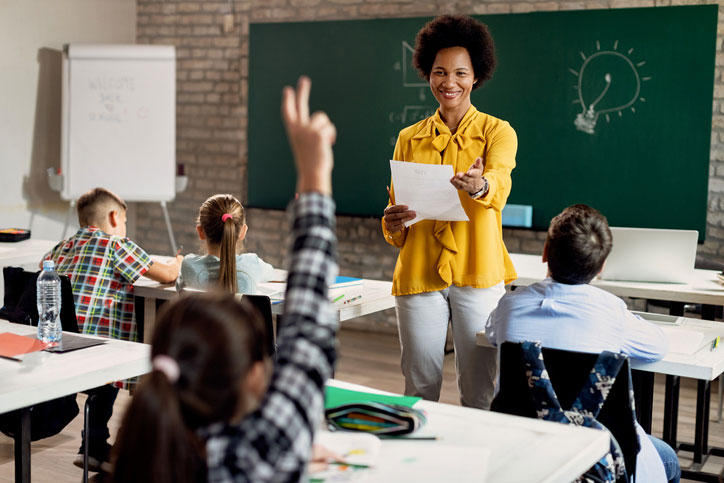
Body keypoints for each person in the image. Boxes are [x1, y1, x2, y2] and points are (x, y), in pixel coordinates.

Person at [112, 75, 339, 483]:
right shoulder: (258, 454)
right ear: (256, 375)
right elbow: (307, 332)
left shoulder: (140, 451)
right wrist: (314, 173)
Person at [485, 204, 680, 483]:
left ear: (545, 252)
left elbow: (491, 333)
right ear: (601, 267)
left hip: (521, 449)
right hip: (601, 457)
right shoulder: (611, 313)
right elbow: (658, 347)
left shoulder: (511, 305)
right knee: (670, 459)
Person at [381, 14, 517, 409]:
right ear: (427, 73)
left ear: (477, 76)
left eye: (460, 72)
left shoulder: (498, 131)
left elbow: (500, 182)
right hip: (420, 270)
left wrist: (481, 185)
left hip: (477, 271)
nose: (449, 82)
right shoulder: (409, 137)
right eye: (439, 72)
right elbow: (397, 216)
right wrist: (391, 221)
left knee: (479, 391)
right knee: (419, 388)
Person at [42, 187, 182, 473]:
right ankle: (96, 445)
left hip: (62, 344)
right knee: (111, 376)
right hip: (98, 350)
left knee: (102, 381)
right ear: (114, 217)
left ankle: (93, 447)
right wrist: (178, 262)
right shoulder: (115, 245)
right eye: (126, 222)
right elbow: (166, 275)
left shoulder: (63, 246)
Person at [176, 193, 275, 294]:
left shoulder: (188, 265)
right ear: (243, 232)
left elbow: (179, 286)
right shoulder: (252, 264)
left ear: (200, 231)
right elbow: (273, 274)